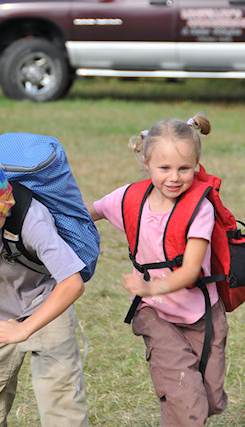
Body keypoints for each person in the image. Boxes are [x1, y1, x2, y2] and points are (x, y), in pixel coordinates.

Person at [86, 113, 228, 426]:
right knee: (186, 400)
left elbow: (191, 270)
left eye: (184, 168)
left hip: (203, 314)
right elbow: (87, 213)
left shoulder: (199, 208)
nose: (174, 177)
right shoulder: (128, 198)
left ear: (196, 165)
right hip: (156, 314)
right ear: (146, 161)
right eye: (164, 168)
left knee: (211, 399)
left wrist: (150, 287)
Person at [0, 155, 89, 426]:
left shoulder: (32, 222)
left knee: (59, 397)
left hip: (48, 307)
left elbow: (72, 283)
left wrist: (24, 329)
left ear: (5, 206)